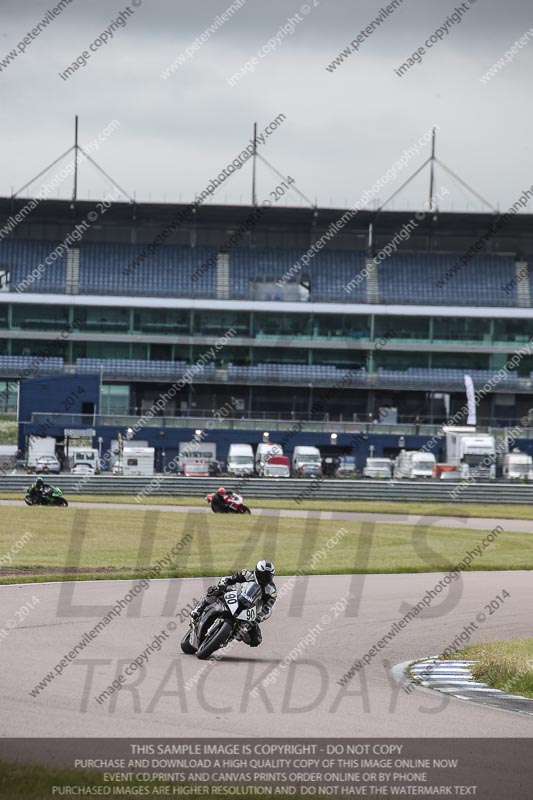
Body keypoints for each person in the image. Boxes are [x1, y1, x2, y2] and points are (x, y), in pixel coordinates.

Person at [190, 560, 277, 647]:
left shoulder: (271, 590)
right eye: (262, 575)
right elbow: (230, 579)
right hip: (235, 596)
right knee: (214, 591)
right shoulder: (246, 574)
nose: (264, 578)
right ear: (256, 572)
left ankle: (229, 636)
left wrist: (260, 617)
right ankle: (198, 609)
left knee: (256, 640)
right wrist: (223, 583)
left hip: (249, 611)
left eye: (267, 576)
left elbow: (268, 608)